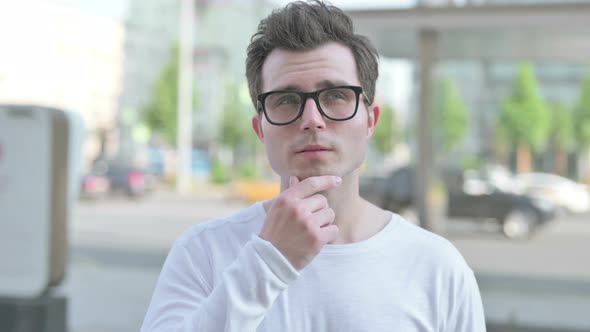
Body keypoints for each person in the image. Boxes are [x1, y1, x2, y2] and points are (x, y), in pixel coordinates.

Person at [141, 1, 486, 331]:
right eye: (286, 100)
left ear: (370, 121)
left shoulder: (437, 268)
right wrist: (267, 261)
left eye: (336, 95)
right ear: (260, 129)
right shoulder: (204, 252)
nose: (312, 120)